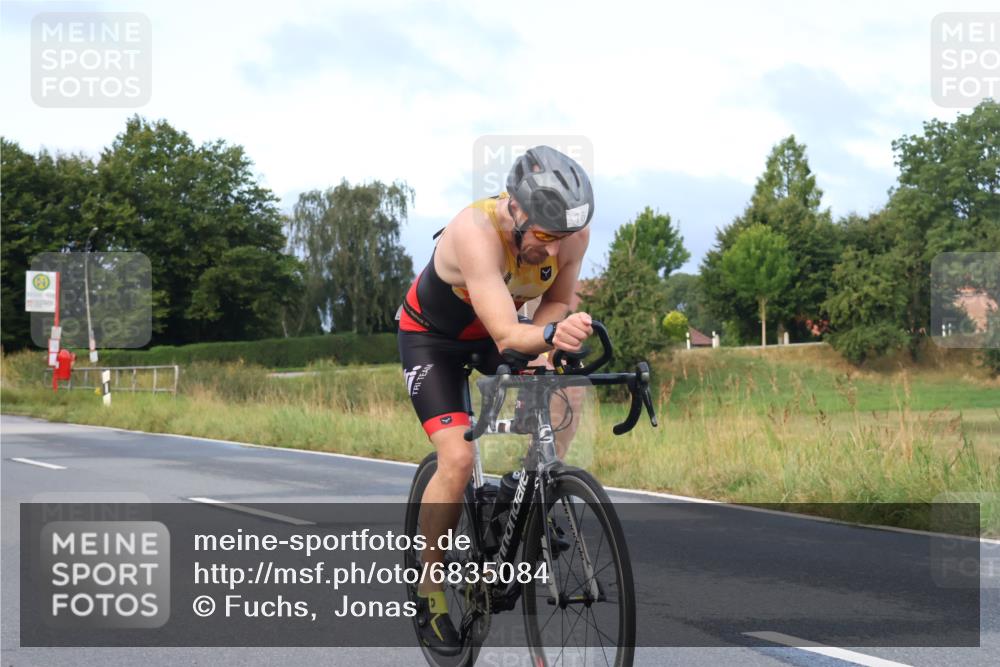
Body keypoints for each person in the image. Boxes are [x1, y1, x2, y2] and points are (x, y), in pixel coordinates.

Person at [397, 146, 595, 655]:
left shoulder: (571, 236)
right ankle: (430, 585)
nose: (554, 253)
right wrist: (547, 334)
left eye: (563, 240)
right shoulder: (475, 230)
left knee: (564, 386)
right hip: (434, 339)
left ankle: (530, 488)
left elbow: (555, 300)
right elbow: (510, 333)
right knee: (458, 457)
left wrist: (556, 339)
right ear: (517, 210)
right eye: (545, 238)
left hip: (496, 329)